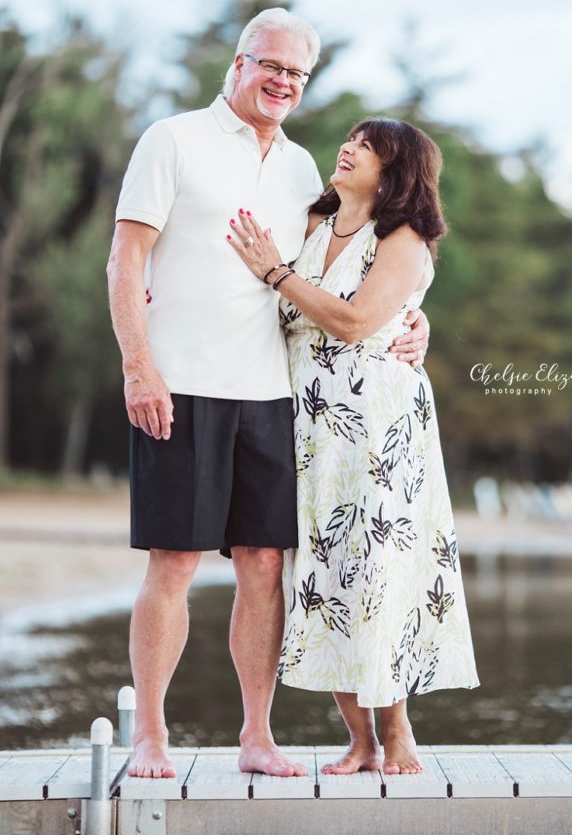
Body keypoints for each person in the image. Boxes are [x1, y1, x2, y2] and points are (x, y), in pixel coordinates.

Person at [106, 8, 430, 779]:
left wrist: (415, 325)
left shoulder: (299, 168)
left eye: (297, 73)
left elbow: (356, 262)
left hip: (273, 394)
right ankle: (150, 735)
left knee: (264, 563)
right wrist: (137, 366)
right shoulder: (172, 138)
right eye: (270, 65)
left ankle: (257, 735)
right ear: (239, 63)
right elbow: (124, 262)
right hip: (179, 382)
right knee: (174, 562)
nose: (282, 81)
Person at [228, 117, 480, 776]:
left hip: (376, 429)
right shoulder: (313, 226)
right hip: (308, 427)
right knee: (322, 573)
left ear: (393, 172)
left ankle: (398, 735)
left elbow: (354, 321)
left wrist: (274, 273)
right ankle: (359, 740)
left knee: (374, 571)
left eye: (366, 147)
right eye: (349, 139)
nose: (347, 149)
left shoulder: (402, 237)